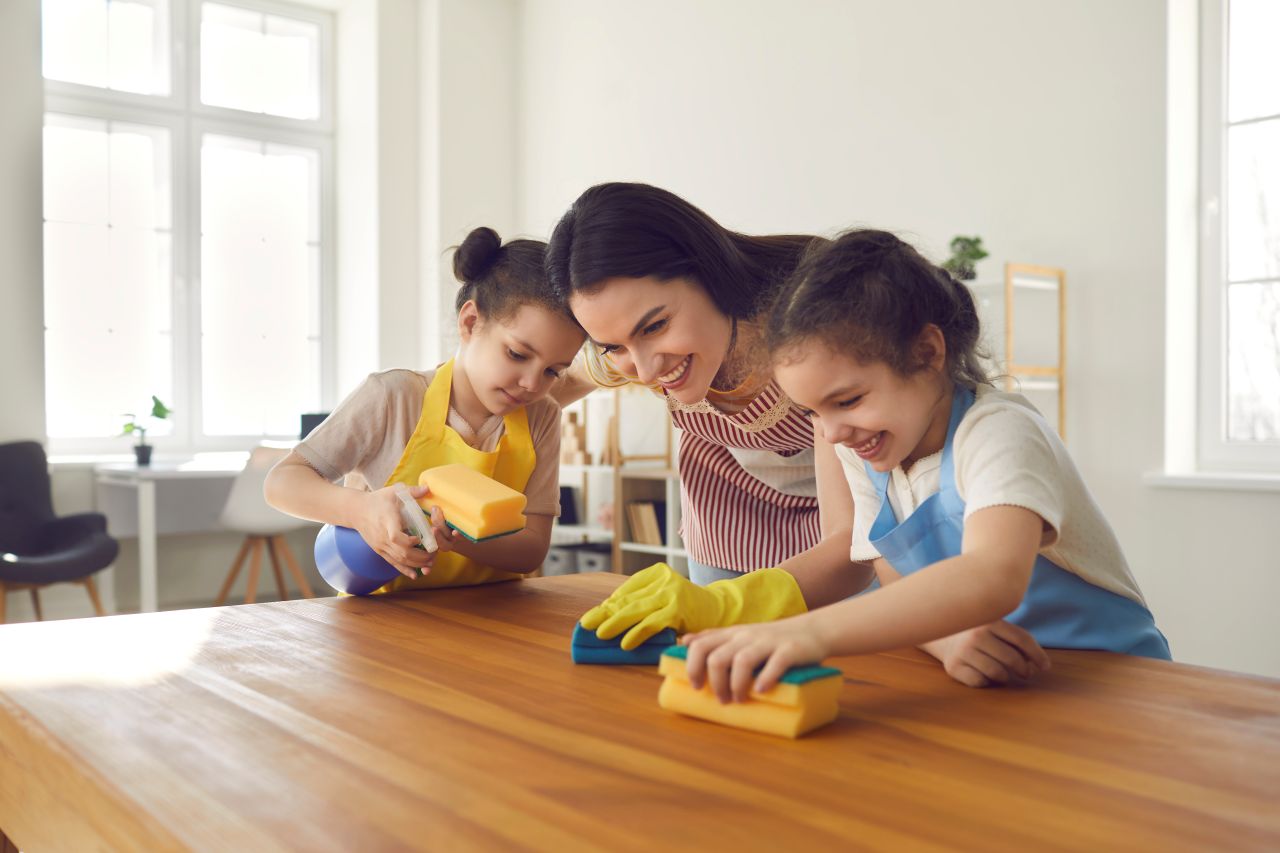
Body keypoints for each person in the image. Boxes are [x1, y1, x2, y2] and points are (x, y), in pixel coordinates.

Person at [650, 229, 1169, 699]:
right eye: (814, 412)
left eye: (848, 400)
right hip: (1007, 692)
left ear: (926, 353)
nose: (829, 434)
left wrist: (803, 630)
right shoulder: (870, 449)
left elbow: (990, 576)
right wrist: (945, 640)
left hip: (1114, 687)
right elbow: (891, 574)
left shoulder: (998, 432)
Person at [548, 182, 872, 615]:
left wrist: (719, 606)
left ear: (704, 270)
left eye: (654, 327)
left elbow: (848, 542)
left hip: (842, 525)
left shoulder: (809, 322)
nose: (645, 371)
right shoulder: (630, 349)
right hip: (728, 520)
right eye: (614, 346)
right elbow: (539, 391)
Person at [265, 227, 585, 591]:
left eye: (552, 371)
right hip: (384, 619)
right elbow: (282, 482)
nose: (532, 383)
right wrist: (360, 510)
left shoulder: (541, 417)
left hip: (494, 620)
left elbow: (532, 549)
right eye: (517, 354)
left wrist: (461, 538)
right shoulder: (394, 397)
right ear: (470, 322)